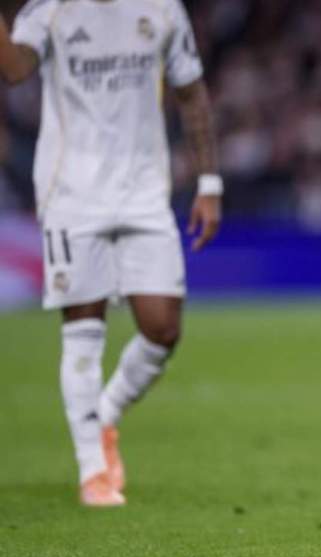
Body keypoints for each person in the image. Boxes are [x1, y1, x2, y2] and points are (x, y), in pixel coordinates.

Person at [0, 0, 222, 506]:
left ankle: (105, 414)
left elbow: (192, 94)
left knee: (163, 328)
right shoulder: (51, 9)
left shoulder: (162, 10)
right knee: (84, 325)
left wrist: (209, 183)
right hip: (72, 194)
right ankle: (93, 470)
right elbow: (13, 69)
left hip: (144, 193)